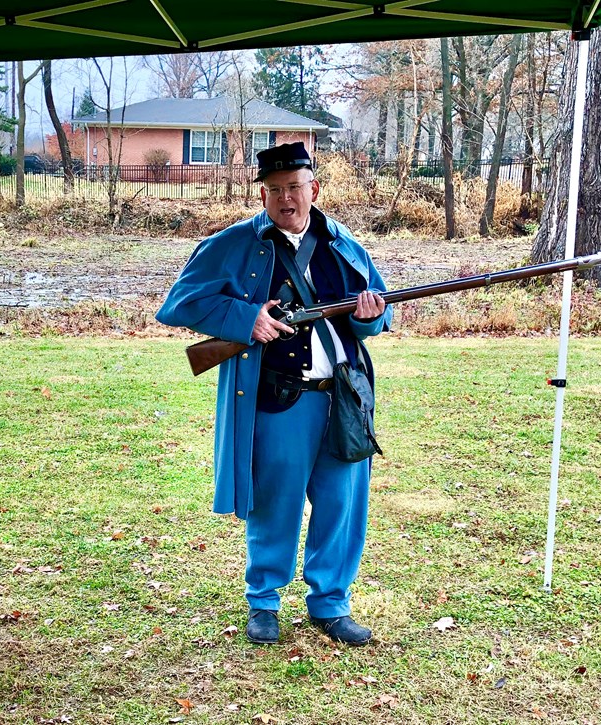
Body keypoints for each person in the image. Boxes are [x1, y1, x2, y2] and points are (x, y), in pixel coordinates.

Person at [156, 141, 392, 646]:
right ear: (263, 193)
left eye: (296, 188)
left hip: (343, 398)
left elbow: (378, 313)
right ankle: (264, 602)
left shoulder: (341, 242)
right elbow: (179, 304)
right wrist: (247, 319)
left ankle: (331, 603)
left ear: (315, 190)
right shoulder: (234, 244)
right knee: (275, 503)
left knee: (340, 503)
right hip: (280, 398)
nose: (287, 199)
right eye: (276, 190)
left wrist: (370, 317)